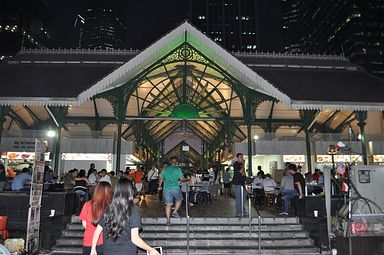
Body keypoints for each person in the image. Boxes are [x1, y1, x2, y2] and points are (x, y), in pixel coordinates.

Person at [90, 178, 159, 255]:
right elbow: (135, 239)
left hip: (108, 251)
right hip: (127, 251)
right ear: (131, 191)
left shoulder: (109, 208)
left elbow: (97, 231)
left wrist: (93, 249)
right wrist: (150, 249)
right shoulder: (133, 211)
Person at [80, 182, 112, 255]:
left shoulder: (87, 205)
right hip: (105, 243)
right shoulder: (111, 207)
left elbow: (84, 224)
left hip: (89, 241)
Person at [158, 157, 185, 225]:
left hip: (166, 188)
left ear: (170, 162)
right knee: (179, 199)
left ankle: (168, 220)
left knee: (168, 204)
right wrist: (187, 179)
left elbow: (161, 178)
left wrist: (159, 186)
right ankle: (175, 212)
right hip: (175, 188)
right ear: (176, 162)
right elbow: (182, 179)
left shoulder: (165, 169)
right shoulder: (178, 169)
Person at [232, 153, 247, 217]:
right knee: (238, 198)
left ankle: (243, 210)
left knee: (243, 197)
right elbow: (241, 171)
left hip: (242, 183)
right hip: (237, 183)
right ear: (237, 158)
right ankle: (238, 211)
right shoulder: (236, 164)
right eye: (240, 157)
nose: (242, 158)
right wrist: (243, 164)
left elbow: (243, 173)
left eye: (242, 157)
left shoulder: (241, 164)